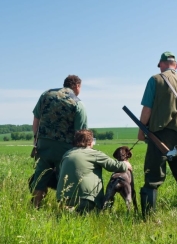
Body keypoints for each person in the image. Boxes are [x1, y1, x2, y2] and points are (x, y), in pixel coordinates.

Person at [137, 51, 177, 217]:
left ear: (161, 64)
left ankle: (148, 217)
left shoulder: (155, 80)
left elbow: (147, 109)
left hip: (159, 135)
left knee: (152, 178)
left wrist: (141, 130)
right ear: (176, 65)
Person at [31, 74, 88, 208]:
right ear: (77, 86)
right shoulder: (78, 103)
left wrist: (36, 139)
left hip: (43, 143)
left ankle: (35, 206)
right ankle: (62, 210)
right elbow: (81, 133)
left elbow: (36, 119)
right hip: (65, 147)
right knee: (65, 178)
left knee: (40, 177)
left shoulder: (46, 95)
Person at [56, 130, 132, 214]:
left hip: (63, 199)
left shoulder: (67, 154)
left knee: (74, 212)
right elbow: (113, 166)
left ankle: (70, 210)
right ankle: (82, 210)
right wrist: (126, 165)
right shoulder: (94, 154)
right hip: (87, 198)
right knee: (92, 211)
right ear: (90, 142)